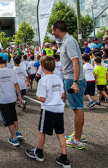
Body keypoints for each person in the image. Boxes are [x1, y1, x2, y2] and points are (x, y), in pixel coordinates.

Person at [26, 56, 70, 167]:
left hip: (48, 109)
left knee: (42, 131)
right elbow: (63, 95)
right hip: (59, 110)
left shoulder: (43, 80)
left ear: (43, 67)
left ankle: (39, 152)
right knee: (60, 134)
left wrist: (37, 97)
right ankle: (64, 158)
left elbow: (43, 98)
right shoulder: (58, 79)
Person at [52, 20, 86, 149]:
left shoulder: (69, 41)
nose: (51, 32)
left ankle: (77, 139)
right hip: (72, 78)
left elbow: (76, 62)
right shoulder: (66, 41)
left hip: (73, 79)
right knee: (76, 108)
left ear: (57, 30)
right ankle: (78, 134)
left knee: (77, 109)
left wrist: (75, 83)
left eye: (52, 30)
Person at [0, 52, 23, 146]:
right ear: (7, 61)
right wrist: (19, 96)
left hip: (3, 99)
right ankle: (18, 131)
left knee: (8, 118)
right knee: (13, 114)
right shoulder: (11, 71)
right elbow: (16, 84)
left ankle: (14, 138)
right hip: (12, 97)